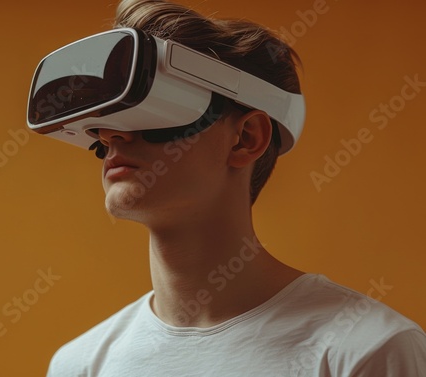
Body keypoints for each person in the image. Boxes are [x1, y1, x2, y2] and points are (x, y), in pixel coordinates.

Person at [43, 0, 426, 375]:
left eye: (152, 112)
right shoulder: (79, 364)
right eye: (104, 123)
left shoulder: (367, 351)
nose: (109, 135)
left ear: (246, 138)